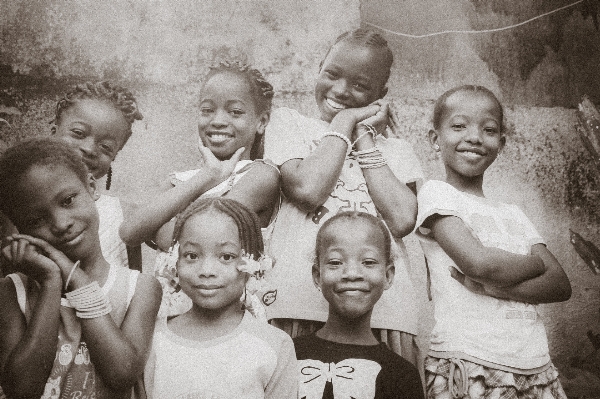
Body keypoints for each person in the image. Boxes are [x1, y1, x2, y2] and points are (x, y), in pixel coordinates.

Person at [263, 28, 424, 366]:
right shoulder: (289, 123)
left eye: (360, 86)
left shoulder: (397, 150)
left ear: (381, 94)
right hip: (298, 303)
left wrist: (363, 135)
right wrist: (347, 118)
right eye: (331, 74)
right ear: (319, 67)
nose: (339, 90)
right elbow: (308, 189)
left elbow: (402, 219)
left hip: (385, 316)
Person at [415, 85, 572, 398]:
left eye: (488, 130)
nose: (474, 137)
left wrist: (494, 288)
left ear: (500, 144)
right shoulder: (437, 194)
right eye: (459, 126)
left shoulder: (512, 212)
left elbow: (559, 285)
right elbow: (479, 263)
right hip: (471, 361)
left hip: (534, 363)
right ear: (436, 139)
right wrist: (535, 263)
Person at [0, 137, 162, 398]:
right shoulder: (12, 291)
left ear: (90, 186)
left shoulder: (139, 288)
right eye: (36, 219)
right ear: (21, 230)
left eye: (67, 201)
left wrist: (77, 281)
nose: (61, 223)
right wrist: (52, 282)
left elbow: (122, 374)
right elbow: (21, 390)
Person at [120, 61, 280, 317]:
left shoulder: (260, 175)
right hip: (169, 318)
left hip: (227, 319)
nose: (218, 121)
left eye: (235, 112)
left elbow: (204, 233)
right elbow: (130, 231)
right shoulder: (183, 179)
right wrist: (208, 175)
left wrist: (161, 224)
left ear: (261, 122)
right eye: (207, 110)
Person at [143, 197, 298, 398]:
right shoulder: (152, 340)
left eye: (226, 257)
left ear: (254, 262)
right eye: (192, 255)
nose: (207, 271)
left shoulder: (274, 345)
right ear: (175, 260)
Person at [294, 211, 424, 399]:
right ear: (317, 275)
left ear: (388, 276)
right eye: (336, 262)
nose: (352, 273)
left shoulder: (402, 374)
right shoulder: (288, 355)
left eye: (368, 262)